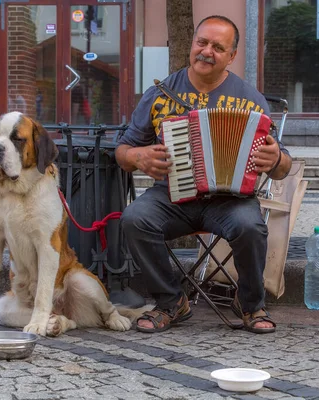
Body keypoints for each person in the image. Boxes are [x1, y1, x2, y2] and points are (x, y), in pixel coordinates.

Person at [115, 15, 292, 334]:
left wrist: (275, 157)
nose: (206, 51)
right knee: (134, 218)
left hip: (230, 200)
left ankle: (251, 304)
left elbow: (282, 167)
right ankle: (171, 302)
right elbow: (123, 151)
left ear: (231, 56)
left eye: (218, 47)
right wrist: (137, 156)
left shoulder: (251, 100)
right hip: (171, 196)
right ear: (192, 44)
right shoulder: (161, 94)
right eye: (202, 42)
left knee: (250, 227)